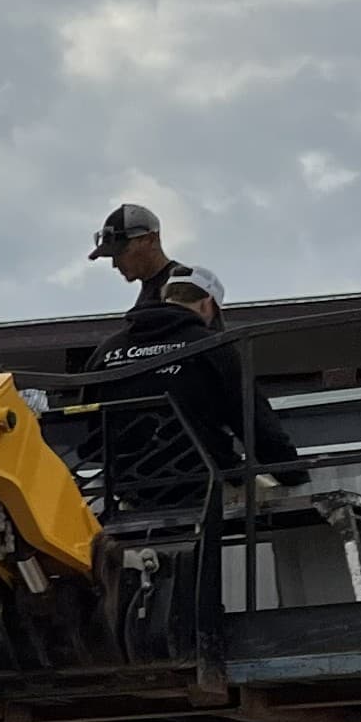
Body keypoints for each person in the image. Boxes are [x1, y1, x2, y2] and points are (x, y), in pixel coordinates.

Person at [81, 262, 307, 508]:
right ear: (207, 303)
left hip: (127, 486)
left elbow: (89, 427)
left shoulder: (105, 351)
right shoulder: (212, 346)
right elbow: (255, 422)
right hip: (199, 481)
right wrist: (293, 475)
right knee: (289, 502)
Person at [86, 201, 189, 311]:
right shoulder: (157, 289)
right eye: (113, 256)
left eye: (122, 252)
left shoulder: (181, 287)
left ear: (150, 240)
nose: (115, 264)